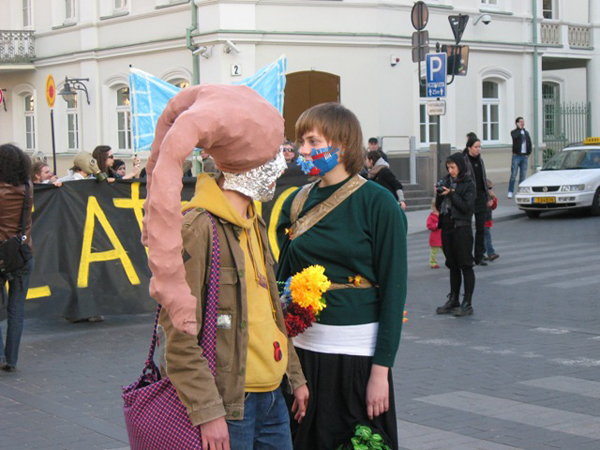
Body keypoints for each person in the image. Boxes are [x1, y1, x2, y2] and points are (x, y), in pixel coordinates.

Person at [142, 84, 308, 450]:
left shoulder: (254, 219)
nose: (282, 166)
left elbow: (269, 311)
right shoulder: (198, 228)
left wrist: (294, 376)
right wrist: (207, 412)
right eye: (275, 158)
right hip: (231, 408)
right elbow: (177, 337)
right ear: (252, 166)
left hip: (273, 398)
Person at [277, 103, 408, 450]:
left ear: (342, 145)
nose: (302, 151)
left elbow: (394, 294)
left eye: (312, 141)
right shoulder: (297, 201)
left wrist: (381, 372)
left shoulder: (378, 204)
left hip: (356, 358)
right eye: (300, 142)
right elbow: (282, 279)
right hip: (303, 356)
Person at [0, 143, 34, 372]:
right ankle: (11, 359)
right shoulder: (29, 188)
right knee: (17, 309)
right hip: (23, 254)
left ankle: (0, 356)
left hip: (0, 255)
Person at [435, 153, 476, 317]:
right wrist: (439, 194)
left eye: (453, 167)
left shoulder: (468, 184)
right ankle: (453, 298)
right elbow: (439, 206)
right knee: (452, 264)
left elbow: (467, 207)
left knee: (465, 264)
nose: (450, 170)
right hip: (447, 226)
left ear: (460, 166)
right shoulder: (445, 181)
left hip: (462, 228)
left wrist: (451, 193)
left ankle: (467, 302)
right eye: (448, 167)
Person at [463, 137, 492, 266]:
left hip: (481, 197)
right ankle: (467, 256)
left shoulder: (480, 161)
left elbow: (483, 180)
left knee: (481, 228)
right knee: (467, 229)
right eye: (476, 147)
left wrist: (488, 197)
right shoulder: (464, 161)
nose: (478, 149)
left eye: (479, 147)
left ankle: (479, 256)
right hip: (469, 198)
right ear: (469, 148)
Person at [508, 117, 532, 198]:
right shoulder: (514, 132)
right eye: (520, 122)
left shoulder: (526, 133)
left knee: (523, 175)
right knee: (513, 174)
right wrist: (519, 129)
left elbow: (529, 143)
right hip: (516, 156)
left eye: (523, 122)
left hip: (524, 156)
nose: (522, 123)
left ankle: (520, 191)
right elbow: (515, 137)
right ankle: (510, 191)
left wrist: (528, 152)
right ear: (517, 123)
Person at [483, 179, 499, 262]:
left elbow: (493, 207)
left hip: (488, 220)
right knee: (487, 237)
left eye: (491, 188)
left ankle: (482, 253)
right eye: (489, 188)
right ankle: (491, 253)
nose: (490, 190)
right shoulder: (482, 197)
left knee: (484, 238)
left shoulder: (490, 197)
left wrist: (493, 198)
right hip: (483, 221)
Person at [426, 198, 442, 269]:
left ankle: (450, 260)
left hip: (442, 236)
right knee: (434, 252)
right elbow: (429, 226)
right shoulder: (431, 217)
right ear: (433, 207)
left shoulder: (442, 215)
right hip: (435, 237)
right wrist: (436, 225)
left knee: (447, 250)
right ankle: (433, 262)